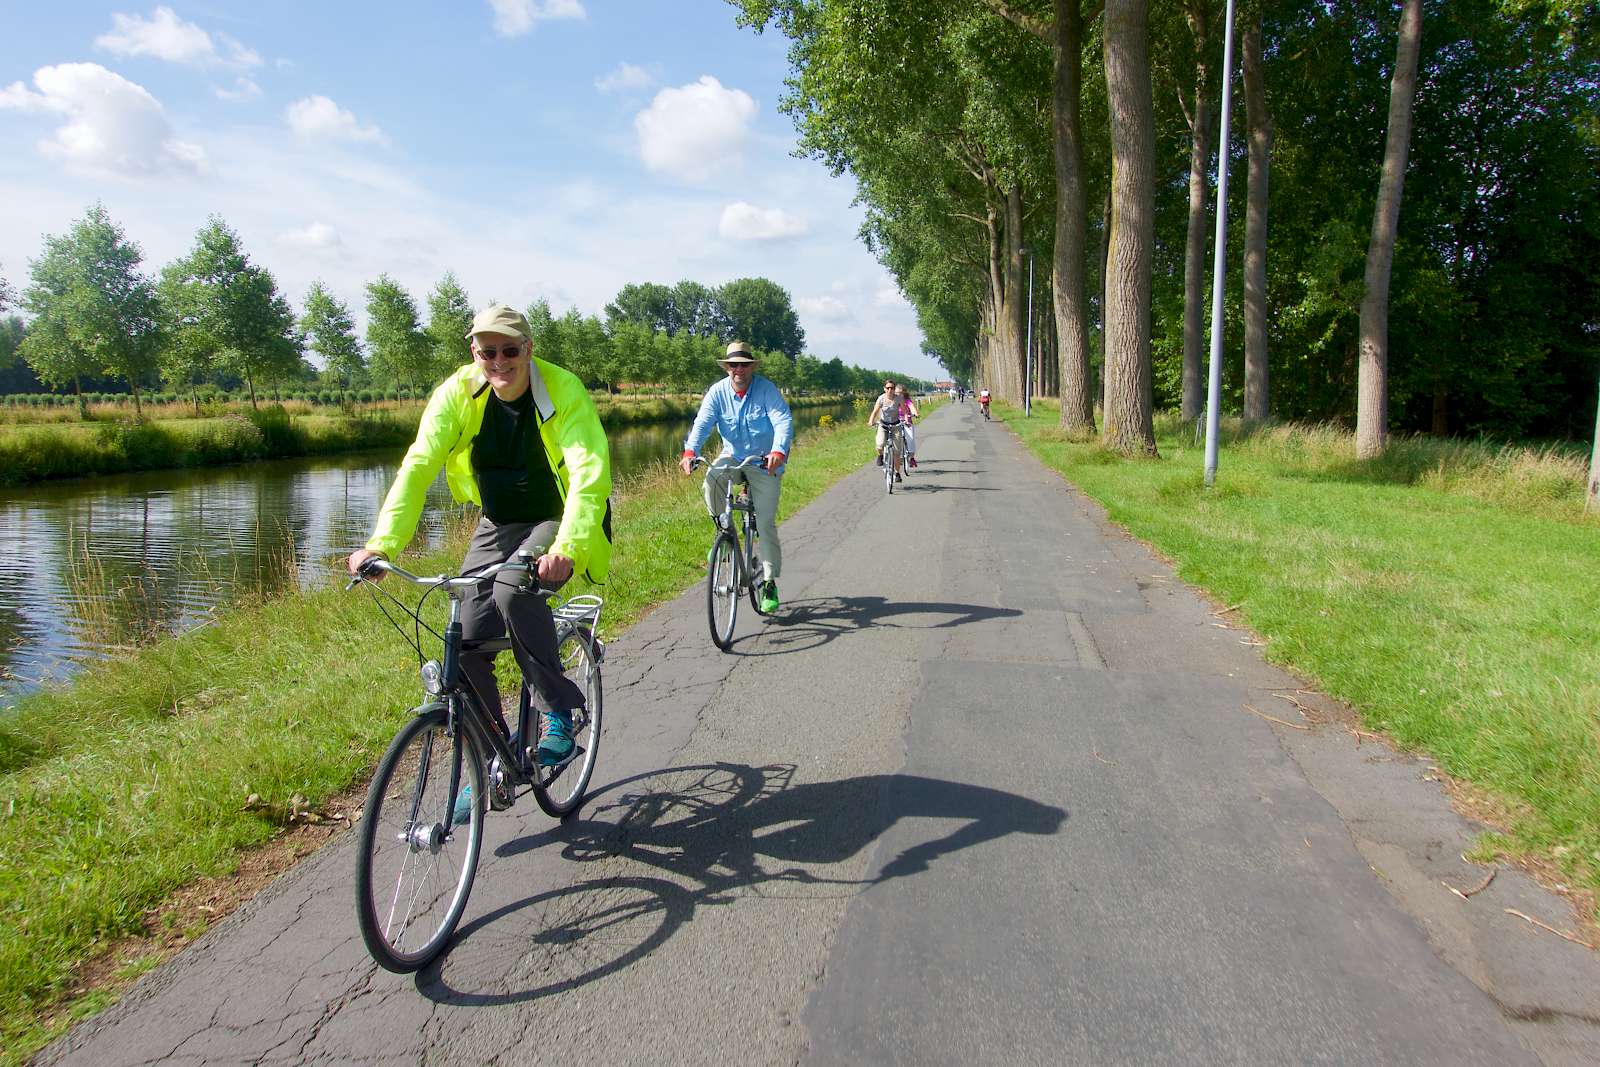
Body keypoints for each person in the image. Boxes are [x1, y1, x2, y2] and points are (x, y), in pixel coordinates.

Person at [347, 304, 612, 773]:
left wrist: (566, 548)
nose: (499, 361)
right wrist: (381, 544)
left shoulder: (563, 391)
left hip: (557, 517)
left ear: (528, 349)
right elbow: (419, 463)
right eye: (488, 351)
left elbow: (588, 475)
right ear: (475, 352)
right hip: (497, 522)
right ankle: (494, 758)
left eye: (510, 349)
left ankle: (558, 712)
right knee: (465, 639)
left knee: (514, 591)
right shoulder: (459, 393)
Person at [680, 340, 793, 613]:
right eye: (733, 365)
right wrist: (690, 451)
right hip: (732, 455)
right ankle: (725, 536)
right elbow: (703, 422)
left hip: (763, 460)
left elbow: (782, 420)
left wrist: (778, 450)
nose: (737, 370)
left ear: (751, 367)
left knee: (764, 523)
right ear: (727, 367)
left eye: (743, 365)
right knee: (712, 479)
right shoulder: (717, 392)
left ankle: (768, 582)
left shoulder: (765, 390)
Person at [866, 379, 907, 480]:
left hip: (896, 426)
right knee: (880, 445)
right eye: (887, 388)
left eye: (892, 388)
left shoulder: (899, 398)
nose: (890, 390)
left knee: (897, 452)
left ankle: (897, 473)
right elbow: (875, 411)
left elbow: (905, 412)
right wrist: (871, 421)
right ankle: (880, 456)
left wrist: (906, 420)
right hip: (883, 425)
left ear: (894, 389)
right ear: (884, 389)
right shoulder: (881, 399)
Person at [894, 384, 919, 468]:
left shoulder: (907, 401)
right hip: (896, 422)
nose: (898, 394)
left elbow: (912, 407)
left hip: (907, 422)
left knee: (910, 440)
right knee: (897, 440)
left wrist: (915, 413)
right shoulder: (893, 401)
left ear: (904, 393)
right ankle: (899, 457)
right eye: (896, 392)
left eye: (900, 393)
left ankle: (912, 458)